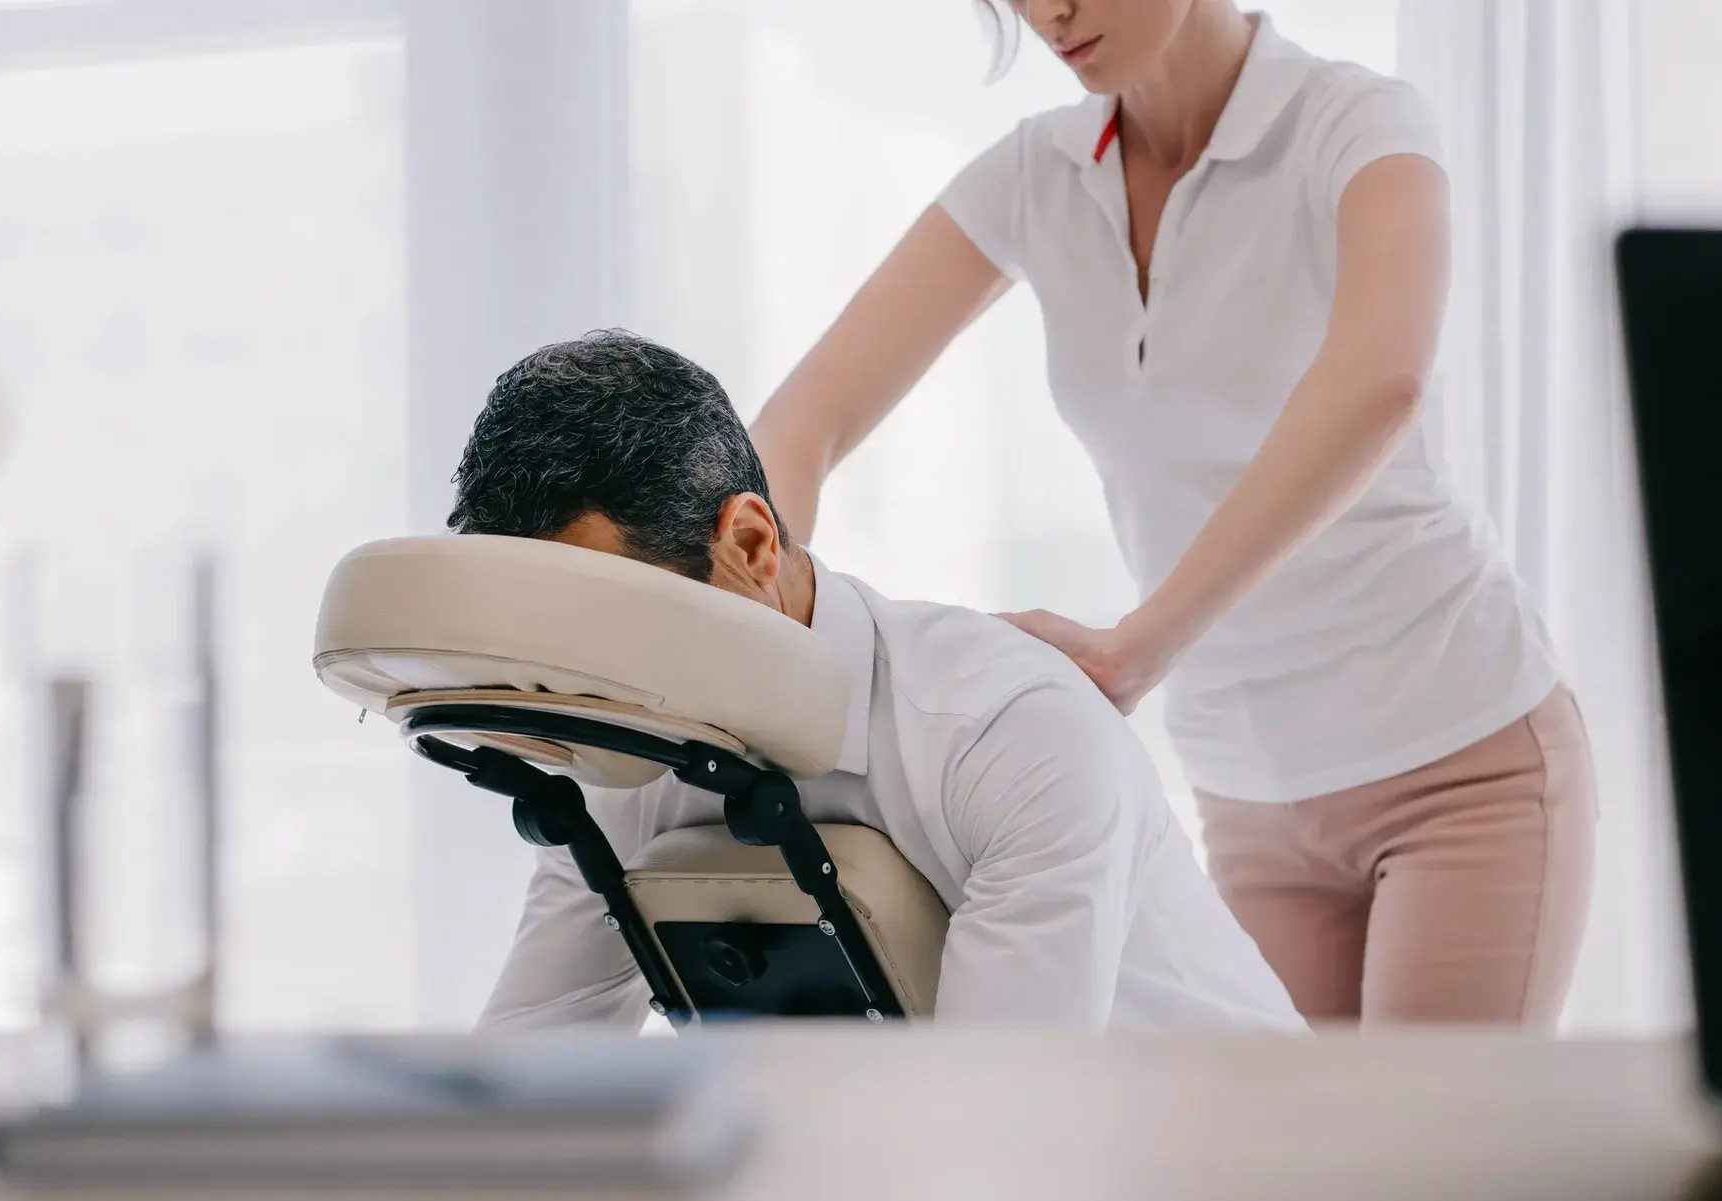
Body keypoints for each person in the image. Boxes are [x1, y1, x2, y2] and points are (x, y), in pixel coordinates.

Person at [748, 1, 1597, 1027]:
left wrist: (1137, 648)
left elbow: (1383, 382)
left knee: (1442, 1168)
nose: (1048, 12)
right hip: (1247, 795)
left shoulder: (1357, 124)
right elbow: (803, 422)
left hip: (1456, 755)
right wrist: (756, 624)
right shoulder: (1035, 177)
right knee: (1282, 1169)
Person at [451, 330, 1302, 1033]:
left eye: (607, 624)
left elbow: (998, 1138)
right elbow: (524, 1082)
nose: (586, 688)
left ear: (750, 545)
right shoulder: (626, 763)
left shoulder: (1010, 734)